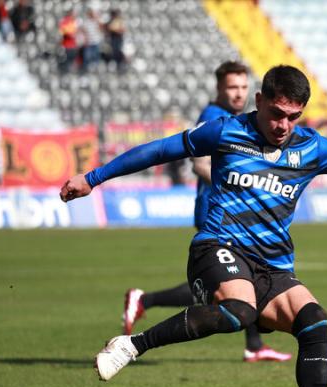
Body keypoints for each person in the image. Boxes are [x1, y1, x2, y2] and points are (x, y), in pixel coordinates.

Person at [60, 65, 327, 387]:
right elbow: (159, 150)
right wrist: (93, 177)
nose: (283, 124)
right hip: (215, 246)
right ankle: (131, 345)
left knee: (315, 323)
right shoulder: (225, 131)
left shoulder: (314, 148)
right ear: (259, 102)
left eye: (293, 116)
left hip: (273, 266)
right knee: (238, 311)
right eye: (276, 113)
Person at [123, 61, 292, 363]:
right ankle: (146, 301)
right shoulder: (214, 117)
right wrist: (242, 186)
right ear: (219, 89)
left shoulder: (239, 118)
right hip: (218, 212)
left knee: (235, 283)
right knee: (227, 284)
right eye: (232, 88)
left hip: (233, 214)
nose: (238, 94)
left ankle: (253, 344)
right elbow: (199, 163)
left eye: (242, 87)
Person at [58, 8, 78, 74]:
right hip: (67, 44)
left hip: (73, 44)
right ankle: (64, 71)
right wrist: (69, 34)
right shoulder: (65, 21)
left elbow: (75, 31)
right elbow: (62, 31)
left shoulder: (73, 21)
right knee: (67, 59)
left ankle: (69, 71)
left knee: (72, 59)